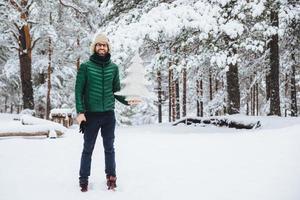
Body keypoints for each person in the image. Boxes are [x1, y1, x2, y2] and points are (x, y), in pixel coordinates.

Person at [75, 33, 140, 192]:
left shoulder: (114, 68)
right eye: (99, 45)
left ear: (108, 47)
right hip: (91, 115)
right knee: (88, 148)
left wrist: (128, 100)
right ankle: (83, 179)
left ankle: (111, 177)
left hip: (108, 115)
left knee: (109, 147)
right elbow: (78, 91)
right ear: (94, 47)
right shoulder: (85, 67)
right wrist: (80, 112)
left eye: (104, 45)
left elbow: (116, 91)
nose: (102, 47)